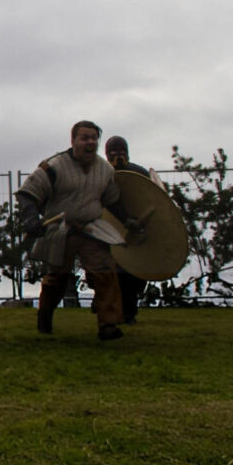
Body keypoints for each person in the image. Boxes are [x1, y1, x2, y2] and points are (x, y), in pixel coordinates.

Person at [15, 121, 137, 341]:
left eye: (93, 138)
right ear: (73, 141)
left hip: (91, 229)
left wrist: (127, 220)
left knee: (106, 272)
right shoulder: (54, 166)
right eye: (85, 138)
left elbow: (112, 201)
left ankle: (108, 326)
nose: (90, 142)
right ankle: (45, 317)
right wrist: (30, 218)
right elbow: (27, 193)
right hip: (61, 230)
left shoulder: (105, 170)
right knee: (56, 279)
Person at [103, 135, 150, 325]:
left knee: (133, 274)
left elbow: (151, 198)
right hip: (109, 227)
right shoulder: (102, 174)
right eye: (113, 152)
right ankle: (113, 311)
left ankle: (129, 312)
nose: (117, 155)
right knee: (112, 273)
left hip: (137, 226)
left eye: (121, 151)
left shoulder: (140, 173)